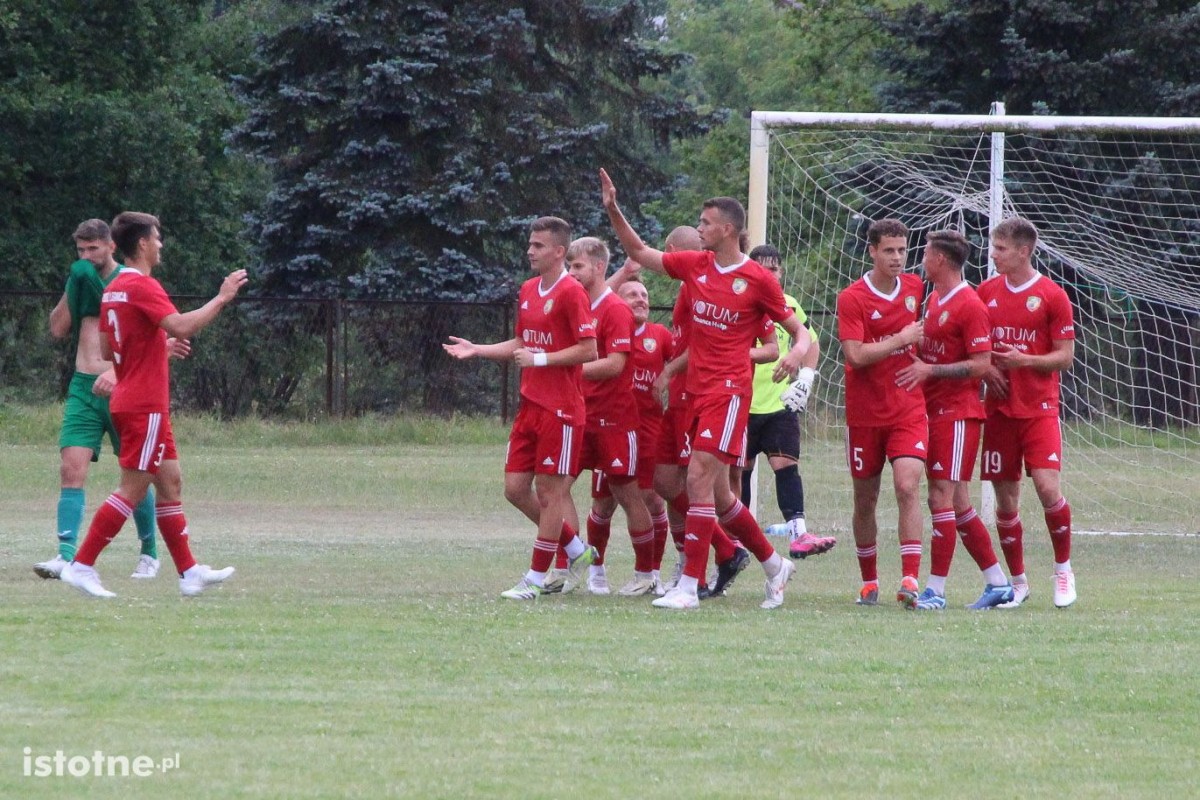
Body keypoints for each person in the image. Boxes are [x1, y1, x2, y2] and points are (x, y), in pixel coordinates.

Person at [600, 168, 809, 610]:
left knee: (696, 480)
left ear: (727, 229)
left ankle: (688, 586)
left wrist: (795, 356)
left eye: (706, 222)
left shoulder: (758, 279)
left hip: (729, 392)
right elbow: (639, 251)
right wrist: (613, 210)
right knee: (718, 495)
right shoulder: (696, 265)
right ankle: (773, 564)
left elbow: (798, 334)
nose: (699, 228)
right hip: (694, 393)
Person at [60, 212, 246, 598]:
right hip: (144, 404)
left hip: (136, 399)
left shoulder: (113, 289)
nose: (160, 244)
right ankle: (81, 565)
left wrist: (152, 351)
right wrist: (223, 297)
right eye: (157, 238)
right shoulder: (143, 285)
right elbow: (181, 326)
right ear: (142, 243)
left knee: (170, 481)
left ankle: (189, 572)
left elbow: (112, 348)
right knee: (132, 488)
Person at [444, 216, 599, 600]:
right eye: (530, 244)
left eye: (539, 246)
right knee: (515, 489)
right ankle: (578, 551)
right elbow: (521, 341)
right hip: (531, 406)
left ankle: (535, 578)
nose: (530, 251)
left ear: (559, 252)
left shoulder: (571, 293)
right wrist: (478, 349)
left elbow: (589, 350)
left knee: (549, 494)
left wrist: (541, 360)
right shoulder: (529, 289)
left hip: (561, 410)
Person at [35, 220, 167, 582]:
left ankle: (149, 553)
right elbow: (58, 329)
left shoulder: (131, 282)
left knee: (136, 474)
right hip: (83, 386)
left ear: (111, 246)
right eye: (80, 250)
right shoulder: (81, 279)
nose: (86, 256)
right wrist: (72, 284)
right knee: (71, 466)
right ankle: (65, 555)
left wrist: (117, 371)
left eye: (93, 249)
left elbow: (153, 337)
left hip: (124, 386)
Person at [894, 230, 1014, 610]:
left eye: (925, 253)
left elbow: (981, 365)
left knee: (939, 497)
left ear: (941, 260)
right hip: (930, 411)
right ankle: (997, 582)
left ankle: (936, 590)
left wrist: (932, 371)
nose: (921, 259)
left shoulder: (970, 305)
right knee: (958, 503)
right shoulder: (932, 299)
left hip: (958, 414)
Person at [976, 217, 1077, 608]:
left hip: (1039, 409)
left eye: (1000, 248)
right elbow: (975, 347)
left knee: (1048, 488)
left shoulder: (1052, 296)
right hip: (998, 411)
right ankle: (1018, 582)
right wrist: (986, 369)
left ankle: (1063, 570)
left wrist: (1024, 360)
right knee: (1005, 500)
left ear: (1023, 251)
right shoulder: (985, 292)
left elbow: (1065, 357)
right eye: (993, 247)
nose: (993, 254)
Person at [837, 218, 927, 608]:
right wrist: (901, 339)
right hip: (865, 414)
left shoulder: (916, 289)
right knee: (865, 501)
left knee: (907, 486)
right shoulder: (852, 297)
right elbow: (855, 354)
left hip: (908, 407)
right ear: (872, 251)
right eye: (888, 250)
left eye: (902, 250)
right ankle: (869, 581)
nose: (896, 258)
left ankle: (910, 579)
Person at [563, 236, 656, 596]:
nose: (571, 273)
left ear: (598, 267)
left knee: (628, 494)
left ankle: (646, 574)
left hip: (615, 421)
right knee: (555, 488)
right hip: (578, 417)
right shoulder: (580, 304)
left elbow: (616, 365)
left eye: (578, 266)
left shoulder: (616, 310)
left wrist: (567, 369)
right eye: (570, 266)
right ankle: (572, 564)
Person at [741, 244, 835, 560]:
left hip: (779, 405)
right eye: (763, 268)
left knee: (786, 468)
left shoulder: (789, 305)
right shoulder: (740, 303)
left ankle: (798, 535)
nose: (770, 274)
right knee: (740, 472)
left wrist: (806, 380)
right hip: (741, 404)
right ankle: (738, 544)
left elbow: (810, 342)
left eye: (775, 269)